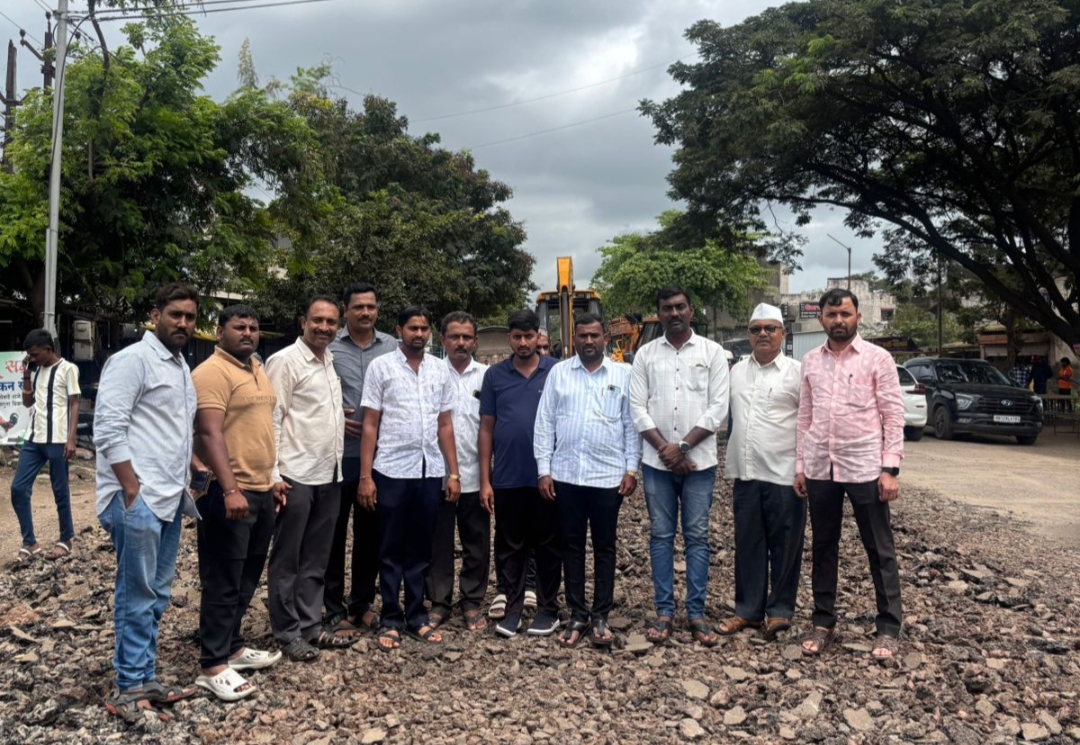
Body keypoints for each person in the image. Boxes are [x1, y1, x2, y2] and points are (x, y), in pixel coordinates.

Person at [94, 283, 201, 722]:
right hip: (137, 497)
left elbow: (170, 428)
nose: (183, 323)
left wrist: (193, 466)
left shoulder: (179, 365)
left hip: (169, 496)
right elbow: (107, 427)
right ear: (155, 316)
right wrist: (130, 488)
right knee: (136, 594)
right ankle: (127, 686)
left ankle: (145, 676)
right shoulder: (132, 360)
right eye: (175, 315)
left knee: (156, 594)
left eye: (190, 317)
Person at [794, 288, 905, 661]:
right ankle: (822, 621)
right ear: (821, 319)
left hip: (865, 468)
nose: (838, 320)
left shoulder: (878, 358)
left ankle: (888, 627)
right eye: (831, 314)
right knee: (824, 546)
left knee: (879, 548)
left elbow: (893, 414)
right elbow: (805, 417)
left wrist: (890, 469)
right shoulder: (811, 361)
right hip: (820, 468)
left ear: (858, 317)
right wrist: (801, 466)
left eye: (845, 314)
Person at [191, 305, 288, 701]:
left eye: (253, 327)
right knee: (223, 578)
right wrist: (230, 489)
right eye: (239, 327)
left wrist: (272, 480)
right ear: (220, 332)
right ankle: (212, 664)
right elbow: (208, 432)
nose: (248, 333)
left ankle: (232, 646)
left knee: (247, 575)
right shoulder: (212, 372)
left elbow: (259, 428)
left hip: (261, 489)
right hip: (228, 491)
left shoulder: (256, 368)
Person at [629, 286, 729, 647]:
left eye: (680, 307)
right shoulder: (645, 355)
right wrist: (666, 451)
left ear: (691, 310)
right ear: (658, 314)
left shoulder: (712, 353)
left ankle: (696, 612)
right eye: (667, 308)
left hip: (699, 463)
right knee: (660, 536)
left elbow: (718, 408)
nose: (674, 313)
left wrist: (683, 447)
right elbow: (637, 407)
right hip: (657, 464)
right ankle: (664, 611)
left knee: (697, 537)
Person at [534, 314, 640, 648]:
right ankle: (578, 613)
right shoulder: (559, 373)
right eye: (583, 336)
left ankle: (601, 614)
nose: (589, 341)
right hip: (567, 476)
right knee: (572, 546)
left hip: (608, 477)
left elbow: (630, 425)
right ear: (574, 338)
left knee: (605, 546)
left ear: (605, 337)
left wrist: (631, 469)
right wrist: (544, 469)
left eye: (594, 335)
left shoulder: (623, 375)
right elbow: (544, 422)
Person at [359, 307, 461, 650]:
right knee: (390, 547)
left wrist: (453, 472)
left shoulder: (439, 369)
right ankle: (391, 617)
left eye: (424, 328)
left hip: (429, 470)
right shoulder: (381, 367)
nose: (419, 334)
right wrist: (366, 476)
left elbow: (445, 424)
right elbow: (370, 423)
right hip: (390, 470)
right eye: (412, 328)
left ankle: (416, 615)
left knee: (420, 548)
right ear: (398, 330)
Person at [265, 297, 351, 662]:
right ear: (303, 322)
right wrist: (273, 474)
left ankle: (311, 625)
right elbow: (271, 418)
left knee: (317, 557)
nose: (324, 328)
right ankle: (287, 632)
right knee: (288, 558)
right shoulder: (285, 361)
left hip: (329, 474)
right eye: (318, 320)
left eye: (331, 322)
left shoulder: (329, 360)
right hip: (294, 474)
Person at [720, 304, 804, 640]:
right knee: (748, 544)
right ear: (749, 335)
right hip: (746, 473)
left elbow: (809, 423)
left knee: (785, 544)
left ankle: (780, 611)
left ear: (783, 333)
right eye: (756, 329)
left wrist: (805, 468)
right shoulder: (736, 372)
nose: (763, 334)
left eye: (770, 328)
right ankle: (748, 611)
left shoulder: (797, 373)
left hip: (785, 474)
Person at [479, 309, 562, 639]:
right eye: (517, 337)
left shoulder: (555, 371)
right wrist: (485, 480)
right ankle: (512, 608)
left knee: (548, 545)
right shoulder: (495, 376)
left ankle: (547, 609)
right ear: (510, 338)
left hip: (547, 477)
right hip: (508, 476)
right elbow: (487, 428)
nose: (524, 342)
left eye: (529, 336)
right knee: (510, 545)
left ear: (538, 336)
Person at [324, 282, 395, 637]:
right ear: (345, 310)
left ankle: (362, 604)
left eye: (371, 306)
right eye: (358, 307)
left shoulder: (392, 346)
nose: (365, 312)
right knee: (333, 534)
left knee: (370, 535)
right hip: (338, 456)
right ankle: (332, 607)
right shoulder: (329, 347)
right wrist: (336, 413)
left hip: (380, 457)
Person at [425, 312, 490, 632]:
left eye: (466, 337)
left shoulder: (487, 376)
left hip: (476, 474)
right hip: (437, 474)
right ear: (442, 339)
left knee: (476, 541)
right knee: (437, 542)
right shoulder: (431, 373)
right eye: (454, 337)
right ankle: (439, 601)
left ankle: (472, 600)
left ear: (475, 341)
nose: (460, 343)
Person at [11, 328, 81, 563]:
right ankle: (30, 542)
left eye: (35, 354)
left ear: (48, 350)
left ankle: (66, 539)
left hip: (58, 439)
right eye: (30, 355)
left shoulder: (68, 369)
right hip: (34, 438)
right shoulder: (36, 371)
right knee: (18, 488)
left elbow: (74, 403)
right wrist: (26, 375)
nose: (32, 358)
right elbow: (27, 402)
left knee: (60, 489)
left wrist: (71, 438)